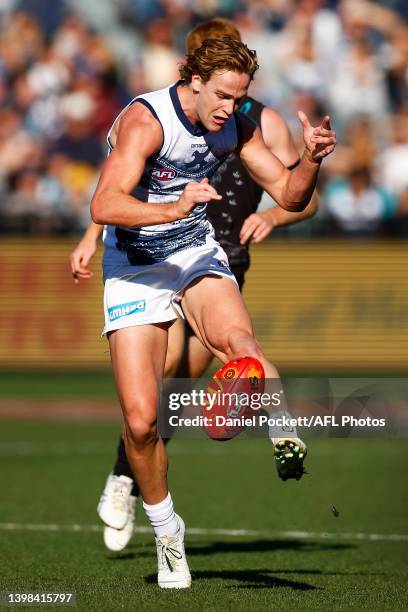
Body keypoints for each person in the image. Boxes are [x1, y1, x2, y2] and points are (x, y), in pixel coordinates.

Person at [84, 35, 336, 588]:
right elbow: (104, 203)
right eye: (222, 95)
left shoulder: (236, 122)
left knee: (240, 347)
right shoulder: (147, 122)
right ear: (192, 81)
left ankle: (277, 423)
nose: (230, 107)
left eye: (240, 96)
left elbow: (290, 196)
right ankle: (168, 533)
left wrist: (312, 161)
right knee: (142, 421)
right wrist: (174, 206)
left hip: (196, 252)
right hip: (134, 268)